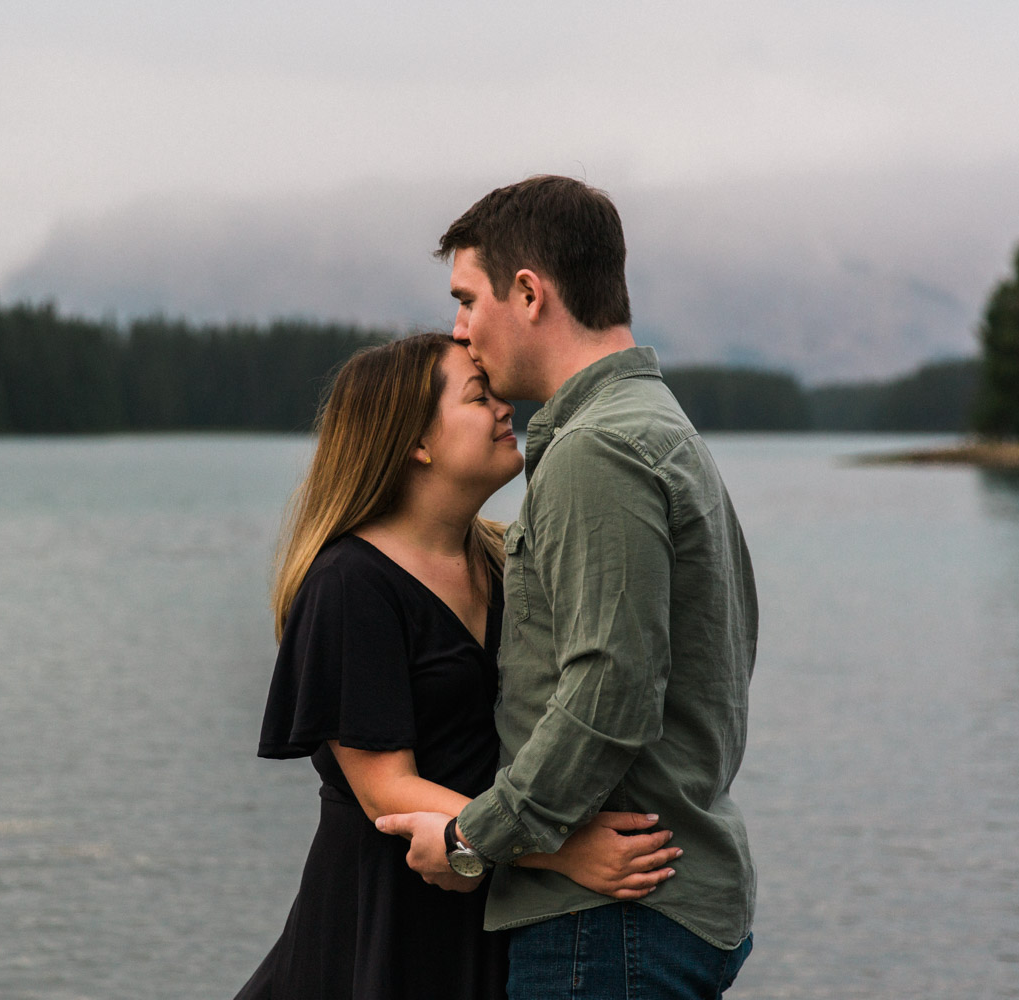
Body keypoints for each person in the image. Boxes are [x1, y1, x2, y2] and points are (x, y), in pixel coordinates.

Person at [376, 177, 759, 1000]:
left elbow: (610, 688)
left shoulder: (598, 451)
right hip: (649, 913)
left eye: (468, 299)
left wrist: (475, 839)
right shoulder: (655, 426)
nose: (459, 329)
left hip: (608, 923)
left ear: (528, 292)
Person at [235, 333, 683, 1000]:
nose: (505, 407)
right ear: (417, 441)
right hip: (390, 917)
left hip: (495, 900)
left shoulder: (506, 560)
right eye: (479, 396)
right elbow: (387, 791)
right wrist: (565, 851)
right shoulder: (349, 583)